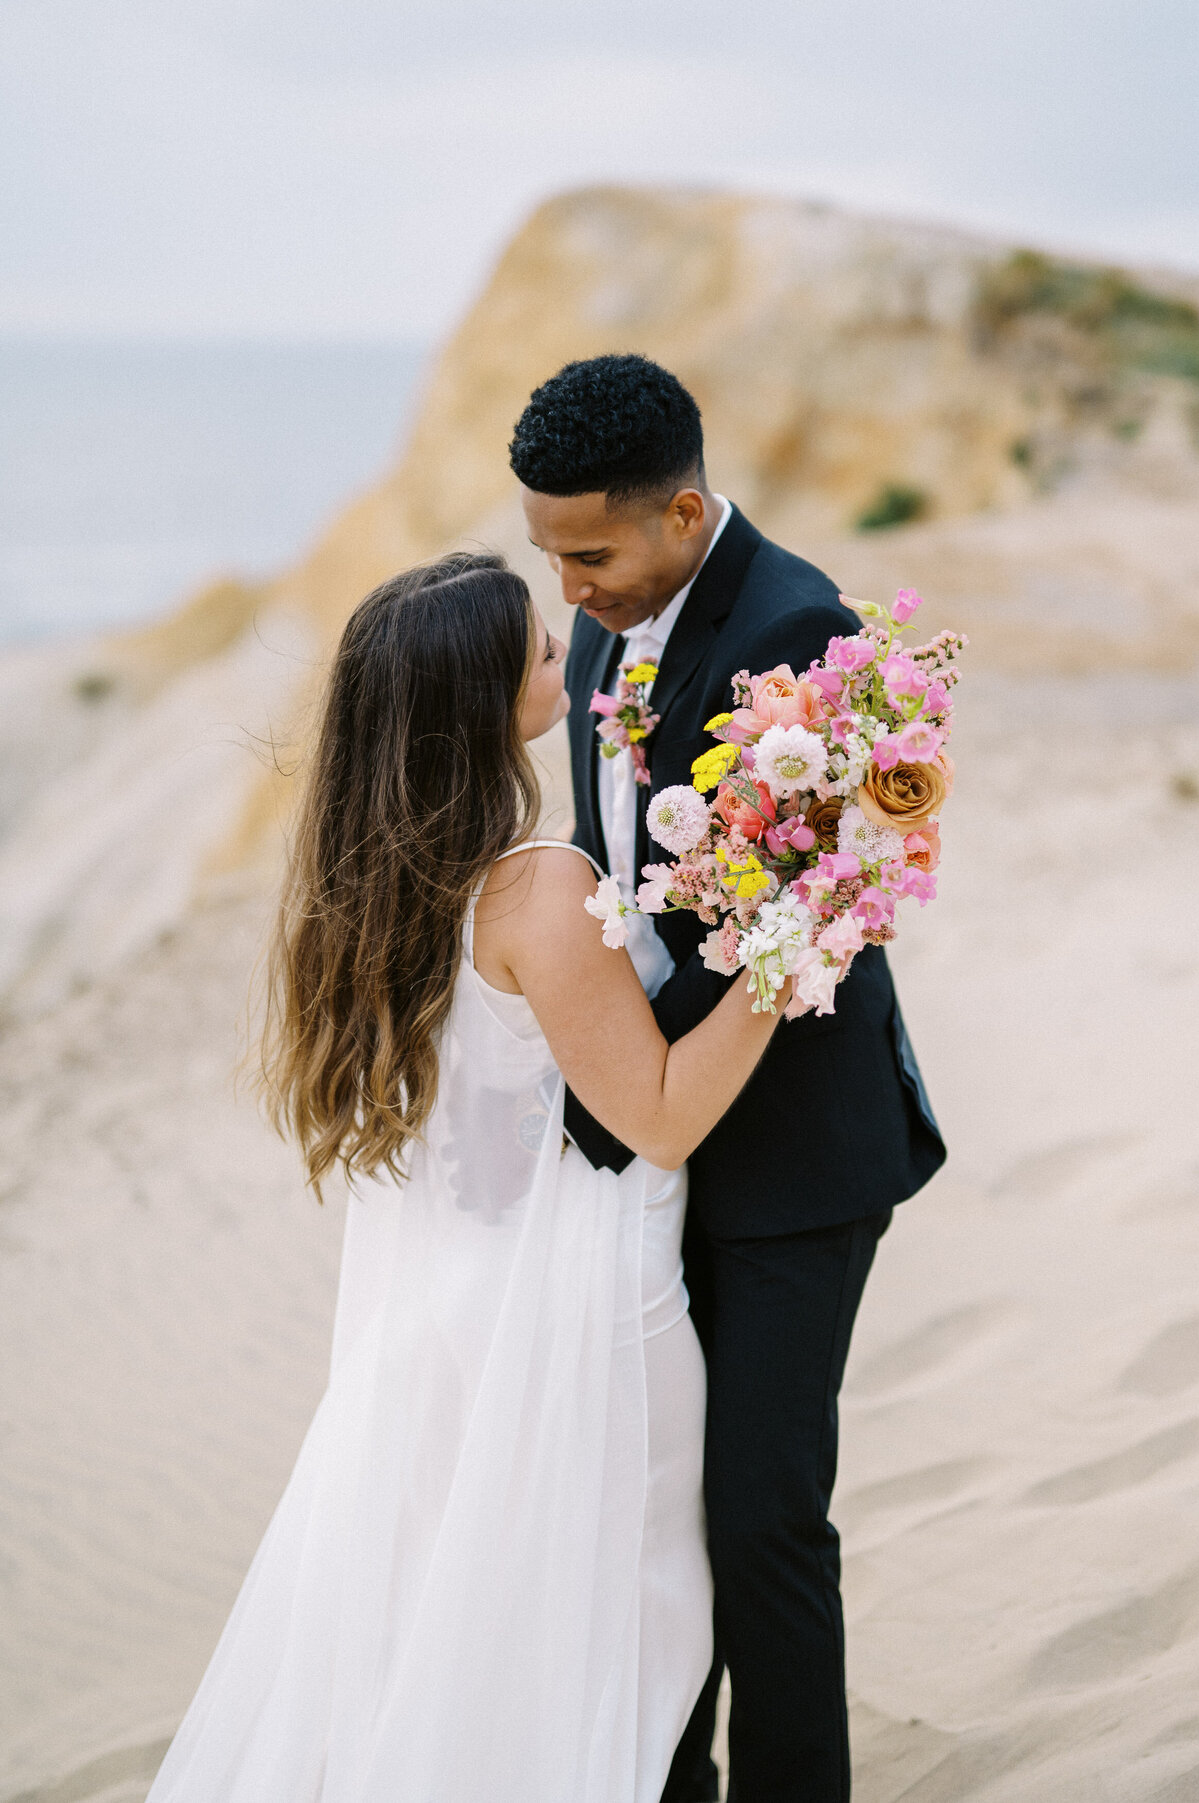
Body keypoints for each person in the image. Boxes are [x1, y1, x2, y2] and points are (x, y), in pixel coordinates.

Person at [145, 553, 793, 1803]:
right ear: (480, 705)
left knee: (466, 1638)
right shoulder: (536, 888)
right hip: (581, 1316)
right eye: (543, 655)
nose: (568, 661)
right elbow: (659, 1118)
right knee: (627, 1640)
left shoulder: (372, 888)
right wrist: (794, 943)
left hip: (442, 1319)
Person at [510, 354, 947, 1803]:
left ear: (685, 510)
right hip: (650, 1143)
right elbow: (624, 880)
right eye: (547, 553)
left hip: (791, 1157)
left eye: (590, 550)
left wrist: (631, 1075)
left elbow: (786, 922)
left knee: (759, 1515)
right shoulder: (597, 633)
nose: (569, 586)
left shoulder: (799, 631)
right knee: (652, 1515)